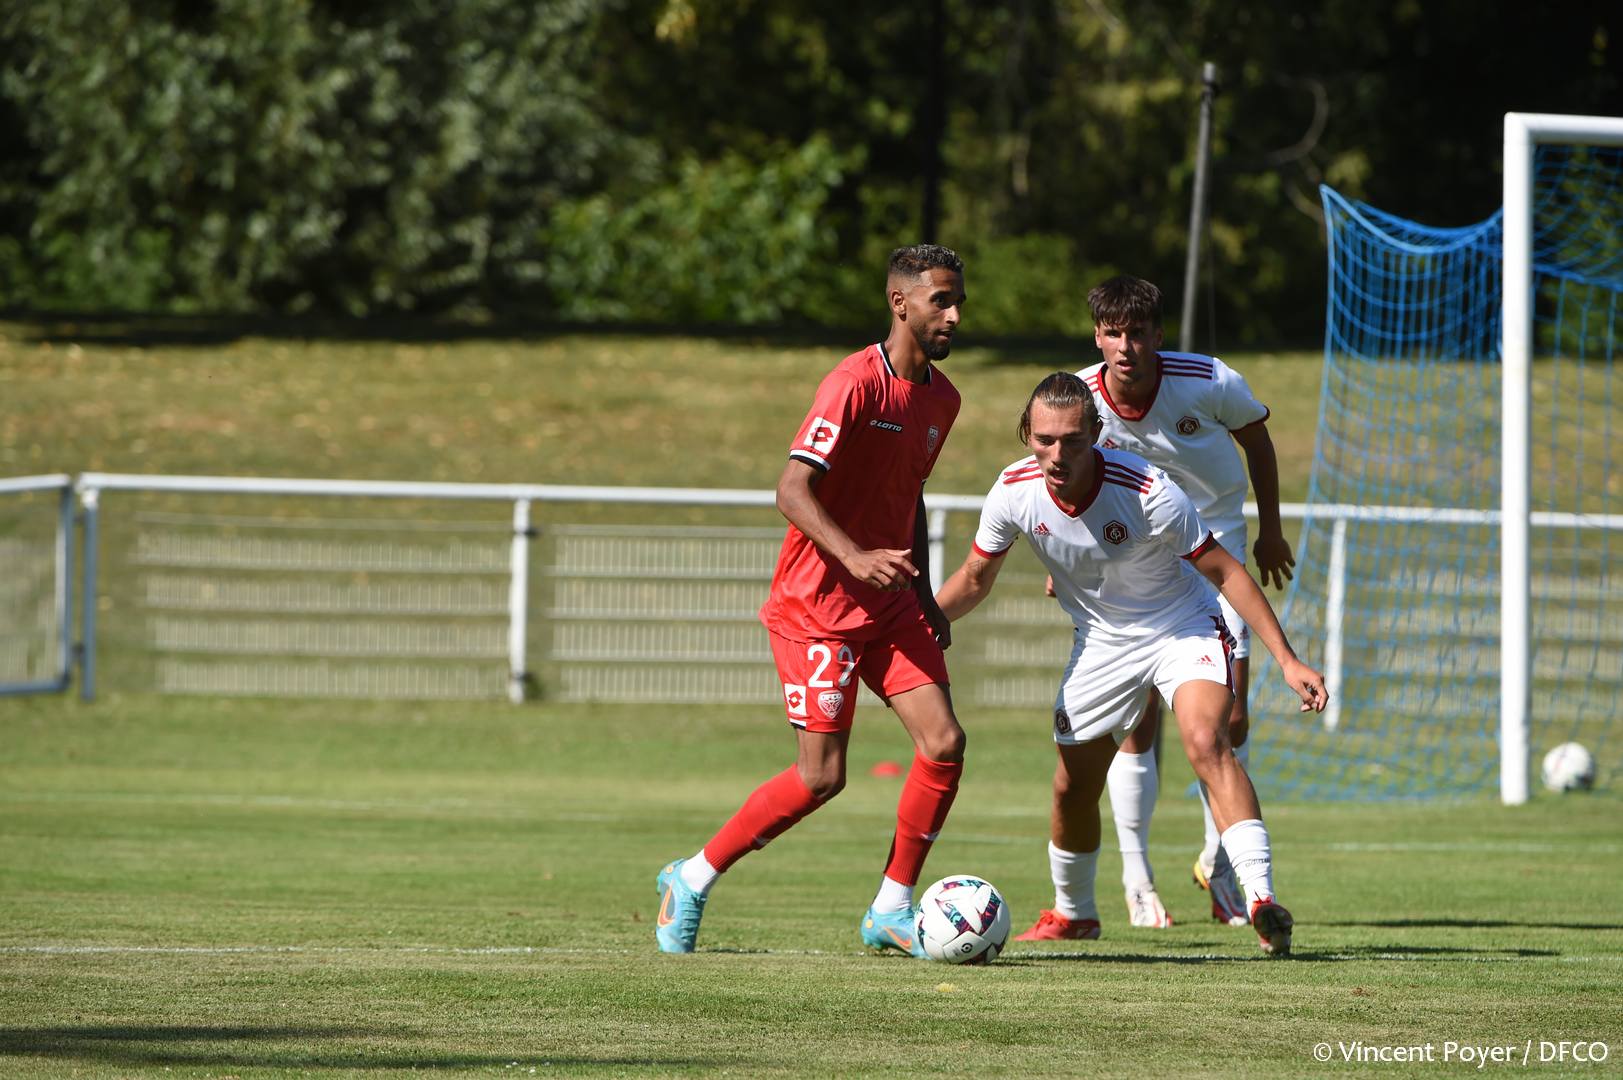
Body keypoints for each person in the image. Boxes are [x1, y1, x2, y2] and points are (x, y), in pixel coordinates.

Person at [935, 372, 1325, 956]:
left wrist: (1287, 661)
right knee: (1073, 785)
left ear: (1096, 433)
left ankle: (1261, 899)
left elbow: (1224, 571)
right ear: (1026, 435)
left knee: (1207, 740)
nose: (1058, 454)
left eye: (1072, 440)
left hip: (1182, 625)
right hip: (1101, 643)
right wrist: (917, 625)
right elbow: (973, 579)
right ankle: (1075, 914)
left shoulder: (1146, 488)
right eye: (1044, 440)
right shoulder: (1013, 491)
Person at [655, 244, 969, 955]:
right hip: (817, 607)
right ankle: (692, 876)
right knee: (821, 777)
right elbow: (791, 489)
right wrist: (854, 556)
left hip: (889, 604)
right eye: (940, 301)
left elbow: (909, 493)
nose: (953, 316)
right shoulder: (851, 384)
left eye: (957, 302)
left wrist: (923, 590)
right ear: (899, 303)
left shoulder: (942, 399)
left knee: (944, 742)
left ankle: (891, 907)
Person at [1077, 275, 1294, 930]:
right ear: (1097, 337)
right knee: (1136, 718)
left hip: (1217, 548)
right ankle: (1137, 879)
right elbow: (1067, 480)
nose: (1125, 346)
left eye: (1137, 332)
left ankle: (1219, 864)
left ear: (1158, 335)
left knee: (1229, 721)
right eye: (1112, 333)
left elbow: (1258, 442)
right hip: (1135, 561)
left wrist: (1271, 529)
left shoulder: (1208, 380)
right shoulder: (1081, 400)